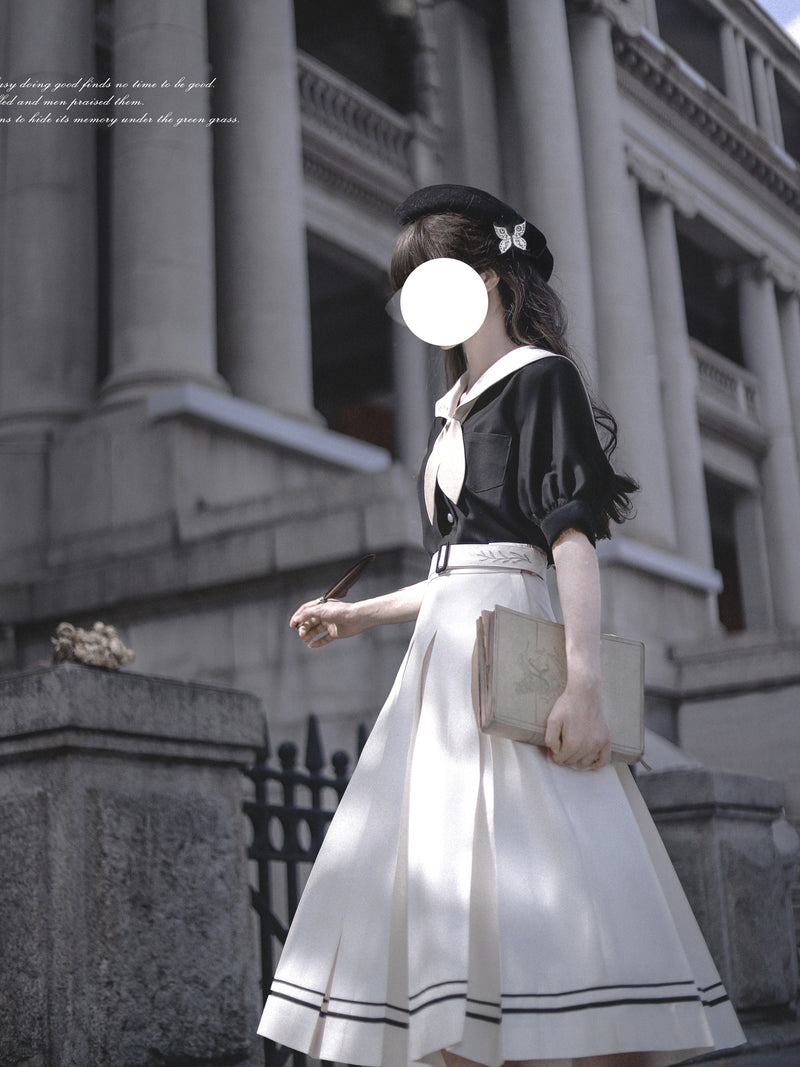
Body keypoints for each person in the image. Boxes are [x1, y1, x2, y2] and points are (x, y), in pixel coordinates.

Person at [257, 185, 745, 1067]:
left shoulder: (538, 379)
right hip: (441, 673)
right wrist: (358, 612)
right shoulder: (455, 408)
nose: (417, 306)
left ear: (487, 276)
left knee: (551, 908)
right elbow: (460, 567)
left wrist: (585, 678)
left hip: (510, 658)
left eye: (428, 279)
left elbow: (568, 542)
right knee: (448, 918)